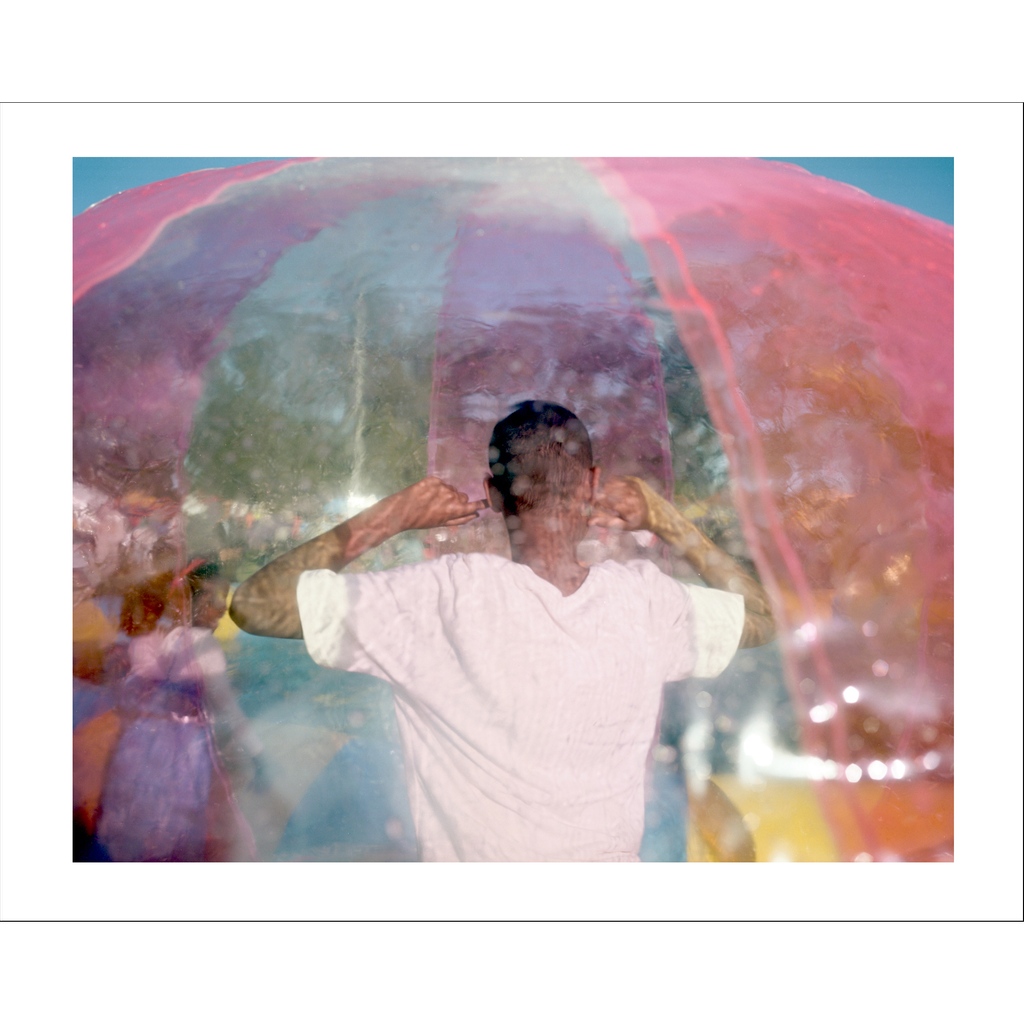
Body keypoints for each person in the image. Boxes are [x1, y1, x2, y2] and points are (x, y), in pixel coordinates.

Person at [230, 401, 775, 861]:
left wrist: (393, 514)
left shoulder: (436, 601)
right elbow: (763, 617)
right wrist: (662, 516)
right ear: (591, 483)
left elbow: (256, 604)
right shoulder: (646, 604)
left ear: (492, 495)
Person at [97, 561, 257, 861]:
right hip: (188, 746)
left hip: (147, 742)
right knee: (187, 822)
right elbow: (227, 705)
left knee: (149, 817)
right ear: (191, 603)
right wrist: (257, 750)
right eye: (215, 599)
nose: (223, 608)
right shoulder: (204, 643)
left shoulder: (169, 638)